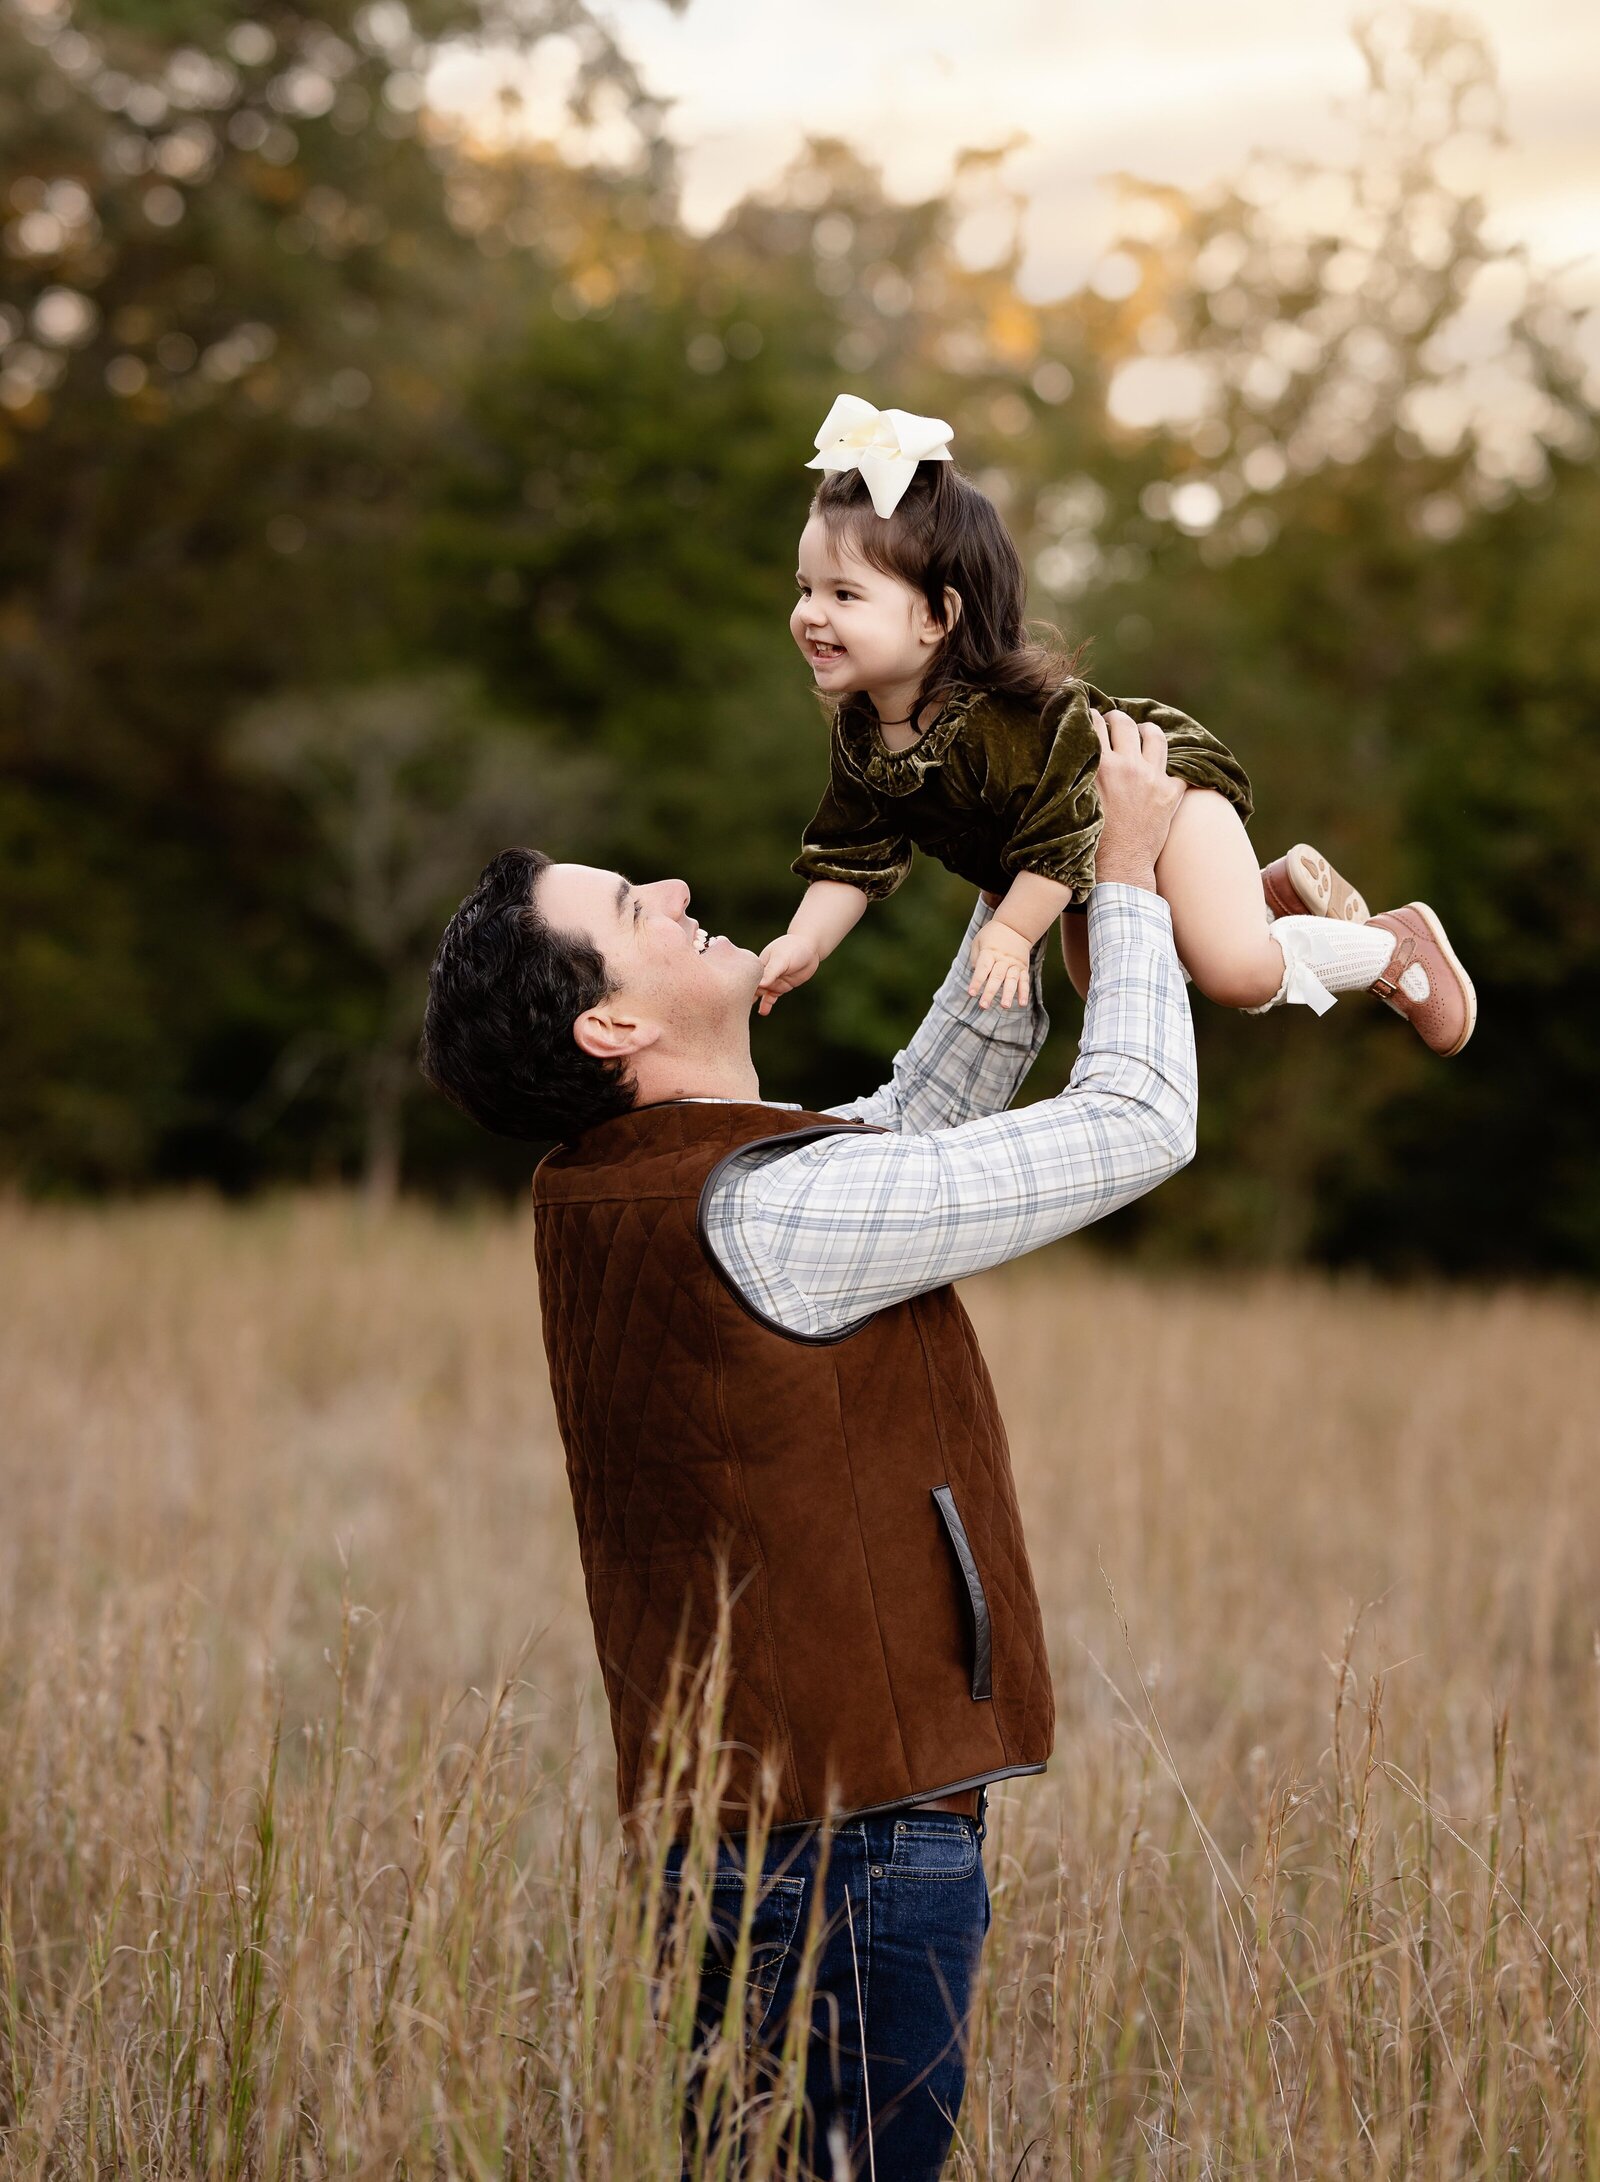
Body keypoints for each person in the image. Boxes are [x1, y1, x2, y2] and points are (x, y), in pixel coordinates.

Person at [420, 711, 1204, 2179]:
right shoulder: (764, 1210)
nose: (671, 888)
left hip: (752, 1845)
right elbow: (1141, 1119)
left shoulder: (630, 1184)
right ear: (610, 1027)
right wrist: (1130, 882)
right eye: (629, 908)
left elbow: (907, 1120)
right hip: (845, 1849)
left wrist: (1019, 874)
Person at [754, 392, 1475, 1059]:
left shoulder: (998, 722)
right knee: (1109, 989)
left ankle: (1392, 947)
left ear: (937, 617)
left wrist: (1011, 932)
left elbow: (1061, 833)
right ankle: (1257, 900)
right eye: (806, 589)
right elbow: (851, 855)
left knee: (1237, 974)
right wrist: (805, 940)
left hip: (1157, 788)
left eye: (844, 595)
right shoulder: (862, 735)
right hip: (1084, 860)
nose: (811, 614)